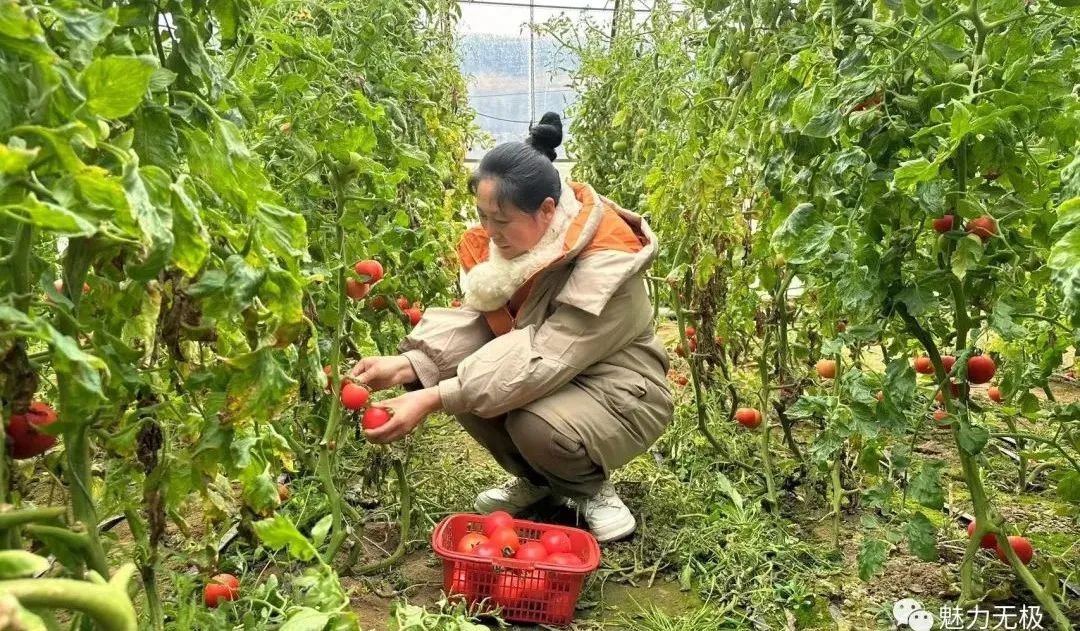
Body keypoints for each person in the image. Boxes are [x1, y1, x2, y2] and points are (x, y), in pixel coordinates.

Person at [348, 112, 673, 542]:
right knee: (457, 378)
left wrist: (432, 399)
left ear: (547, 210)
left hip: (620, 391)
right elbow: (487, 324)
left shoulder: (606, 266)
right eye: (483, 216)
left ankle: (591, 489)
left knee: (529, 423)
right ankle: (540, 481)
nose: (489, 231)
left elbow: (545, 353)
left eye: (500, 221)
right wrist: (410, 365)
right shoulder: (515, 250)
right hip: (555, 376)